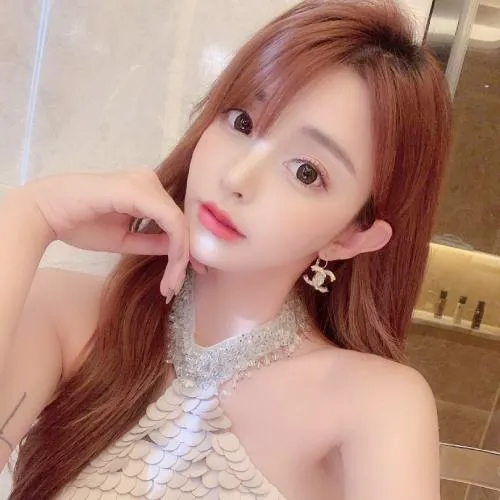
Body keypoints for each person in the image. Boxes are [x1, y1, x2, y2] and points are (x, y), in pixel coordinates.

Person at [0, 0, 452, 498]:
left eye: (306, 172)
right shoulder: (69, 316)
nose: (238, 178)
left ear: (349, 236)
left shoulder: (376, 405)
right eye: (242, 122)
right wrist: (28, 217)